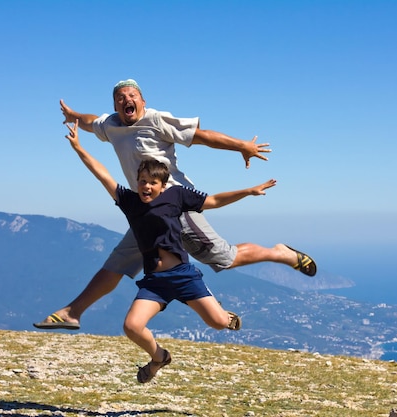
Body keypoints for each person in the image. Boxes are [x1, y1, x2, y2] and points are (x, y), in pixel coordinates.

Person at [34, 79, 316, 331]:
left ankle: (280, 253)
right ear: (115, 105)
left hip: (174, 206)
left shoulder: (157, 120)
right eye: (120, 97)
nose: (126, 99)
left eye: (131, 95)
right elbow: (91, 120)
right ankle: (72, 312)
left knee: (226, 258)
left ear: (142, 101)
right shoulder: (112, 125)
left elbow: (201, 136)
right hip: (143, 208)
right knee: (117, 263)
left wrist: (241, 145)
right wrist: (73, 116)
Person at [63, 120, 274, 383]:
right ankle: (159, 357)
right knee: (131, 326)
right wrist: (78, 148)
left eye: (152, 182)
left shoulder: (176, 196)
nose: (146, 187)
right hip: (155, 283)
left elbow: (214, 200)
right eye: (142, 181)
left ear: (162, 185)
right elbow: (102, 174)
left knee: (218, 323)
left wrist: (248, 191)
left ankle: (225, 315)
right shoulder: (129, 202)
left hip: (184, 277)